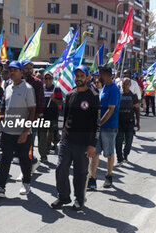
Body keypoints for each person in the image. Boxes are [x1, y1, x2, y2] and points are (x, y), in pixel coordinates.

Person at [51, 65, 99, 210]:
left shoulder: (93, 96)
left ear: (87, 78)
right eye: (77, 76)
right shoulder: (70, 95)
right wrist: (62, 137)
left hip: (83, 143)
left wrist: (92, 144)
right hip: (67, 140)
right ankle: (63, 196)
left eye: (82, 76)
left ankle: (79, 199)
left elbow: (96, 124)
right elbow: (66, 118)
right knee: (61, 169)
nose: (79, 78)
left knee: (80, 173)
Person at [0, 61, 36, 197]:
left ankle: (26, 183)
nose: (12, 72)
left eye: (15, 70)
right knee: (5, 159)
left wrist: (25, 132)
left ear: (21, 72)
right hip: (8, 132)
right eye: (10, 70)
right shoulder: (8, 87)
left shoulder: (28, 88)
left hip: (22, 133)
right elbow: (4, 108)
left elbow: (32, 111)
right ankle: (0, 187)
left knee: (24, 160)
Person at [88, 64, 120, 189]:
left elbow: (111, 110)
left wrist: (100, 123)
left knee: (109, 153)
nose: (98, 77)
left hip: (109, 127)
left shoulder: (114, 89)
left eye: (100, 74)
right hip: (99, 127)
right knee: (95, 152)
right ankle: (92, 179)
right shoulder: (104, 87)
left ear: (106, 75)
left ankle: (109, 176)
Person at [115, 78, 140, 166]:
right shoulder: (118, 94)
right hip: (119, 122)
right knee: (118, 141)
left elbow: (137, 109)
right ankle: (119, 158)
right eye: (123, 83)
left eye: (126, 83)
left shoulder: (133, 95)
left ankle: (125, 155)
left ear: (130, 85)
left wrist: (138, 122)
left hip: (129, 122)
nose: (124, 85)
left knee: (128, 142)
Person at [38, 72, 62, 162]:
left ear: (52, 79)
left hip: (53, 116)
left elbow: (60, 103)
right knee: (42, 137)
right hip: (42, 116)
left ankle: (57, 147)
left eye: (49, 78)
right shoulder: (41, 88)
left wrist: (54, 99)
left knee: (54, 135)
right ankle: (43, 155)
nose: (47, 80)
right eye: (46, 78)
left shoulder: (57, 89)